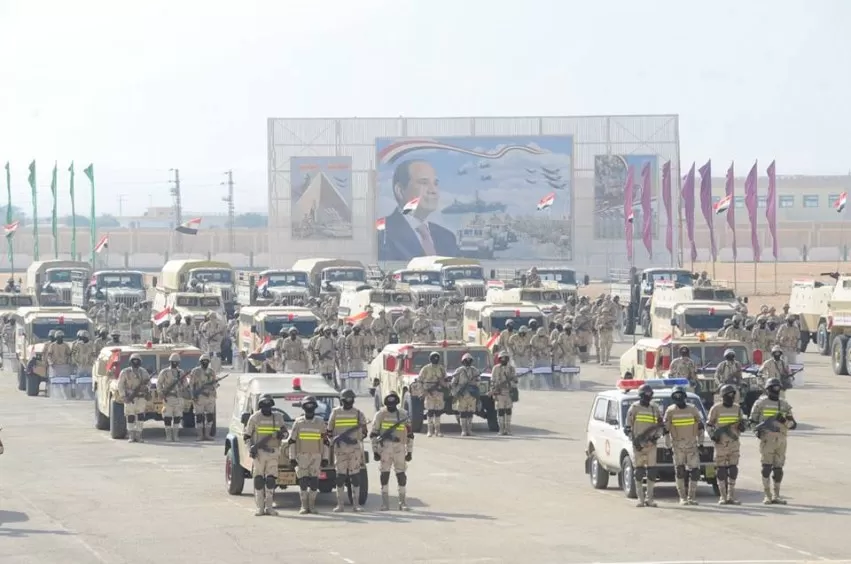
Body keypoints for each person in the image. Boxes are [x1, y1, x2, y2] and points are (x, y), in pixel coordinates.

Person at [377, 159, 460, 260]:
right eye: (424, 183)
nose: (433, 190)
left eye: (435, 183)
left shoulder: (447, 237)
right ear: (400, 190)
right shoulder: (381, 234)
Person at [750, 378, 797, 504]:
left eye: (777, 388)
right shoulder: (760, 403)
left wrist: (784, 421)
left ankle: (776, 495)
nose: (775, 390)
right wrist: (757, 432)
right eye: (773, 388)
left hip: (781, 439)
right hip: (767, 439)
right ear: (767, 389)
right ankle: (767, 495)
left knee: (778, 469)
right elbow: (752, 421)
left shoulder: (784, 404)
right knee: (766, 467)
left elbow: (793, 425)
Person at [244, 394, 288, 516]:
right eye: (264, 404)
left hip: (273, 452)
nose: (266, 407)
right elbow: (247, 436)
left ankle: (269, 507)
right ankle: (260, 507)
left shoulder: (278, 417)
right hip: (259, 453)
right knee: (258, 480)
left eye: (269, 405)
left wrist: (281, 435)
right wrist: (250, 448)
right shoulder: (255, 418)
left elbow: (285, 433)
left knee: (270, 480)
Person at [370, 391, 414, 511]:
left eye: (393, 403)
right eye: (389, 403)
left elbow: (410, 435)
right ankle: (385, 503)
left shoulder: (403, 415)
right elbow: (374, 434)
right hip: (384, 449)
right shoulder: (380, 415)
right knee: (384, 475)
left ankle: (402, 503)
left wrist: (410, 452)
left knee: (401, 475)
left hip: (399, 448)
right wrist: (375, 451)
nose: (391, 406)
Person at [327, 388, 368, 512]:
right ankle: (340, 505)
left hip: (354, 449)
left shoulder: (358, 413)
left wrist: (355, 437)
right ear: (342, 400)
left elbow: (364, 432)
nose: (349, 402)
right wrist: (336, 440)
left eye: (351, 399)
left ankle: (356, 505)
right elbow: (329, 431)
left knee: (355, 476)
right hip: (340, 449)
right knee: (340, 477)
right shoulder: (335, 412)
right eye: (346, 400)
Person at [287, 395, 329, 515]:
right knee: (303, 481)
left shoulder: (320, 422)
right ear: (303, 407)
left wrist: (325, 457)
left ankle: (312, 506)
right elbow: (292, 441)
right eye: (307, 406)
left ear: (315, 407)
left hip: (316, 456)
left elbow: (325, 442)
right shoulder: (298, 422)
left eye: (311, 405)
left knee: (315, 482)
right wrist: (292, 457)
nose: (309, 408)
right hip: (302, 456)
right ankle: (304, 506)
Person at [663, 385, 704, 505]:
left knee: (695, 472)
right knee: (680, 471)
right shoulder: (670, 411)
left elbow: (700, 428)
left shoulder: (693, 409)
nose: (678, 398)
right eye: (675, 396)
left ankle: (692, 497)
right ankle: (682, 497)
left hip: (692, 445)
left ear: (684, 396)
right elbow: (666, 431)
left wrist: (701, 443)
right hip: (677, 446)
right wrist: (668, 446)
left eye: (680, 395)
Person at [624, 384, 663, 507]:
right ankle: (640, 499)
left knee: (652, 472)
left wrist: (655, 437)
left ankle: (649, 499)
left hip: (651, 445)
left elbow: (660, 425)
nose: (648, 396)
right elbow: (628, 427)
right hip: (638, 445)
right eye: (646, 394)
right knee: (639, 472)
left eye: (650, 394)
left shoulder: (655, 408)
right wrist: (634, 441)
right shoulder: (634, 408)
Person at [707, 384, 746, 505]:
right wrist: (713, 435)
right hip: (721, 443)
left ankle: (731, 496)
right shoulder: (716, 408)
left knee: (733, 469)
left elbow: (742, 423)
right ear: (723, 396)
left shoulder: (737, 408)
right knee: (721, 469)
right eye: (728, 395)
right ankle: (723, 496)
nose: (731, 397)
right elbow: (709, 425)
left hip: (734, 442)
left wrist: (742, 426)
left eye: (732, 394)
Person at [117, 353, 151, 443]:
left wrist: (146, 388)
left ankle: (139, 435)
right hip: (130, 397)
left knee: (140, 416)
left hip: (141, 397)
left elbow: (149, 383)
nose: (135, 362)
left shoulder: (143, 372)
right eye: (133, 361)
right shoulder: (125, 372)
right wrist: (123, 396)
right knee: (130, 416)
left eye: (137, 361)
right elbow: (120, 385)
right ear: (130, 362)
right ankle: (131, 436)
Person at [188, 354, 218, 441]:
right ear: (200, 362)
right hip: (199, 397)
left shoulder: (211, 371)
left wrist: (213, 386)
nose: (205, 363)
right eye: (203, 361)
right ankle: (200, 435)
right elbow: (191, 385)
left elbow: (215, 383)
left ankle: (207, 435)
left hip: (210, 397)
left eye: (207, 361)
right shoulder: (195, 371)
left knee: (210, 416)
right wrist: (193, 395)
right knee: (199, 417)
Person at [156, 353, 185, 442]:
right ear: (170, 362)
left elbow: (185, 384)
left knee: (177, 417)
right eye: (173, 362)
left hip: (178, 398)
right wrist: (161, 393)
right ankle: (168, 436)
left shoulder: (181, 372)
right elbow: (159, 383)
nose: (175, 363)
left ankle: (175, 436)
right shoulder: (164, 372)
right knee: (167, 417)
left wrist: (181, 384)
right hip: (168, 398)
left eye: (176, 362)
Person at [418, 351, 448, 437]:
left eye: (437, 357)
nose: (435, 359)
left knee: (438, 411)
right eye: (434, 357)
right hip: (428, 392)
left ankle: (437, 431)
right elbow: (420, 380)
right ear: (430, 359)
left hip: (438, 391)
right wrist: (422, 391)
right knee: (430, 411)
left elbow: (445, 379)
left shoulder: (441, 368)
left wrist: (444, 385)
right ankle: (429, 431)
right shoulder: (425, 368)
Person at [451, 353, 480, 437]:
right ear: (463, 361)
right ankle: (463, 430)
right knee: (463, 413)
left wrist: (473, 383)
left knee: (470, 413)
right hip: (462, 395)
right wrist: (456, 392)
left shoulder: (475, 370)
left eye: (469, 360)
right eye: (466, 360)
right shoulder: (459, 370)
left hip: (471, 394)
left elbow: (478, 381)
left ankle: (469, 430)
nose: (468, 362)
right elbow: (453, 383)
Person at [490, 351, 518, 435]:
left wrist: (510, 383)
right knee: (500, 410)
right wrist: (494, 391)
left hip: (508, 392)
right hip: (499, 392)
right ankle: (501, 429)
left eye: (505, 358)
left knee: (508, 410)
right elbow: (492, 381)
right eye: (502, 358)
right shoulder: (495, 368)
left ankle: (508, 429)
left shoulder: (511, 368)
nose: (503, 359)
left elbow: (515, 381)